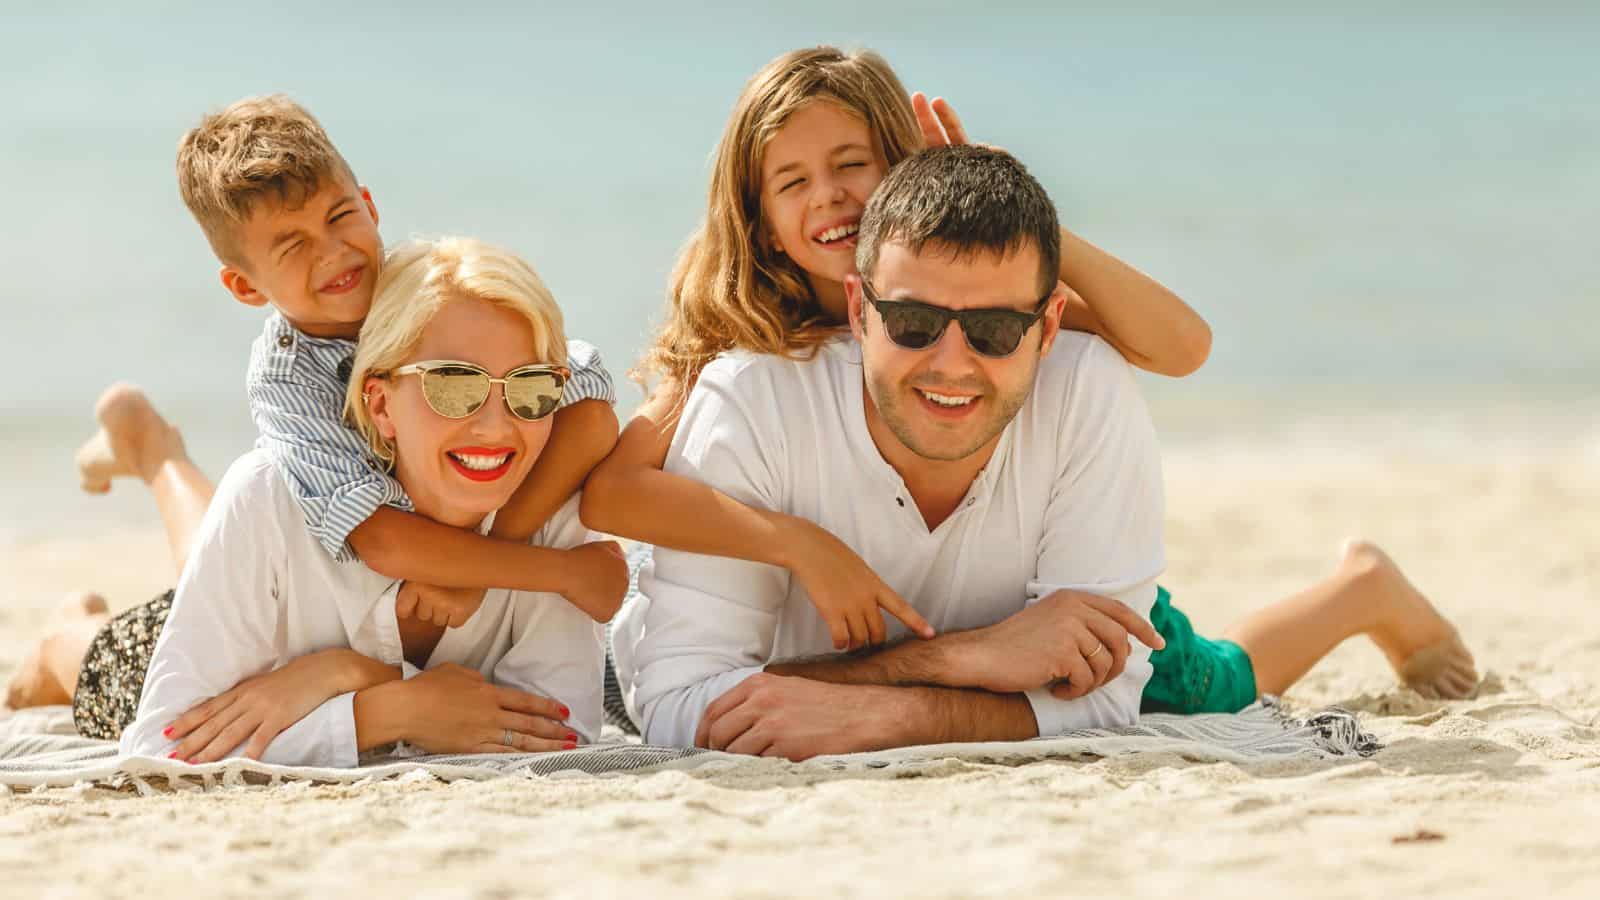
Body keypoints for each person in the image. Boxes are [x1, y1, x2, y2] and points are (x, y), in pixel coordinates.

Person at [613, 145, 1476, 760]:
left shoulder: (1087, 387)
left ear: (1049, 324)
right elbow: (678, 708)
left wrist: (891, 714)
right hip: (991, 641)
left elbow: (1111, 697)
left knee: (1209, 681)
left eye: (994, 329)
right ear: (859, 307)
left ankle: (1360, 588)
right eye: (913, 322)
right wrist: (963, 660)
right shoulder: (748, 400)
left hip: (1037, 622)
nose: (952, 363)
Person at [582, 46, 1212, 650]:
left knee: (1219, 673)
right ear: (764, 227)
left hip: (1077, 601)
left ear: (904, 173)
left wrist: (1029, 223)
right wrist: (800, 544)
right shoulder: (745, 334)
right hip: (721, 607)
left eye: (851, 164)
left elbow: (1181, 348)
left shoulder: (979, 308)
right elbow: (613, 493)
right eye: (793, 181)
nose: (827, 194)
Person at [109, 236, 619, 766]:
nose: (495, 427)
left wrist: (348, 676)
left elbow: (558, 734)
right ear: (380, 406)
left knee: (200, 546)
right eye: (453, 384)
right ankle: (154, 451)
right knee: (89, 650)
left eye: (530, 387)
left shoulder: (553, 504)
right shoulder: (268, 497)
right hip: (181, 651)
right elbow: (164, 747)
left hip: (247, 619)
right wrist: (394, 710)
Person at [175, 93, 627, 626]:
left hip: (391, 617)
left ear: (369, 206)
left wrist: (484, 565)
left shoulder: (434, 297)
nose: (332, 251)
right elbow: (381, 539)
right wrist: (563, 572)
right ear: (245, 287)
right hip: (277, 594)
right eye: (292, 246)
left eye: (341, 216)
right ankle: (154, 450)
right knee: (188, 578)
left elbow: (589, 405)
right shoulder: (287, 380)